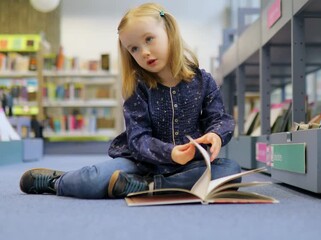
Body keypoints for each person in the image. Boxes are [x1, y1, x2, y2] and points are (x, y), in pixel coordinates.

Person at [19, 3, 241, 199]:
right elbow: (138, 139)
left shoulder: (204, 81)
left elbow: (219, 119)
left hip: (189, 166)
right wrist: (169, 153)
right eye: (134, 49)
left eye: (149, 40)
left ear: (169, 32)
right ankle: (57, 182)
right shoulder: (138, 87)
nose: (144, 52)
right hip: (139, 164)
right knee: (92, 180)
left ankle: (148, 187)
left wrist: (216, 135)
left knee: (231, 171)